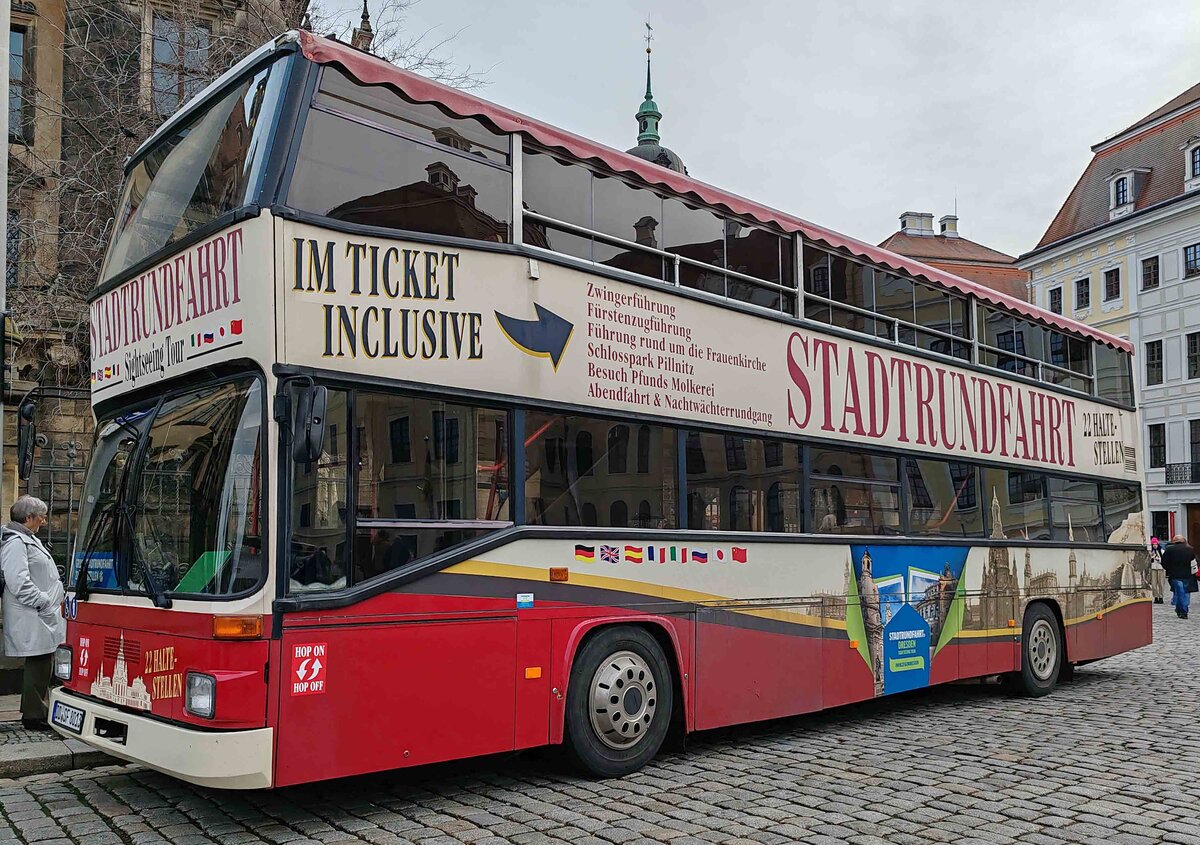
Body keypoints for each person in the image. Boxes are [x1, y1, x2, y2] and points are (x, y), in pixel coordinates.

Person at [1, 496, 65, 730]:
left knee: (42, 661)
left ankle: (36, 710)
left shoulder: (27, 539)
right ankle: (34, 715)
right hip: (32, 613)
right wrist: (44, 602)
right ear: (28, 518)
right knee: (39, 662)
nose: (45, 520)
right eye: (41, 516)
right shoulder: (16, 542)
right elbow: (18, 581)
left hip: (39, 615)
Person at [1161, 534, 1197, 620]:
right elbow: (1194, 562)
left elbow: (1164, 562)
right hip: (1188, 575)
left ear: (1174, 541)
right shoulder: (1190, 549)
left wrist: (1169, 570)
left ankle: (1182, 611)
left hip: (1175, 574)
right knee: (1186, 593)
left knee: (1179, 592)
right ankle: (1182, 610)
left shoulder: (1170, 549)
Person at [1149, 536, 1167, 604]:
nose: (1154, 546)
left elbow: (1165, 560)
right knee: (1154, 584)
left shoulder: (1162, 551)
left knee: (1161, 583)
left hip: (1161, 568)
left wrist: (1159, 559)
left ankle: (1161, 597)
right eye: (1153, 544)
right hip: (1153, 568)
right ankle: (1156, 597)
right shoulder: (1151, 552)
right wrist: (1152, 558)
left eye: (1155, 544)